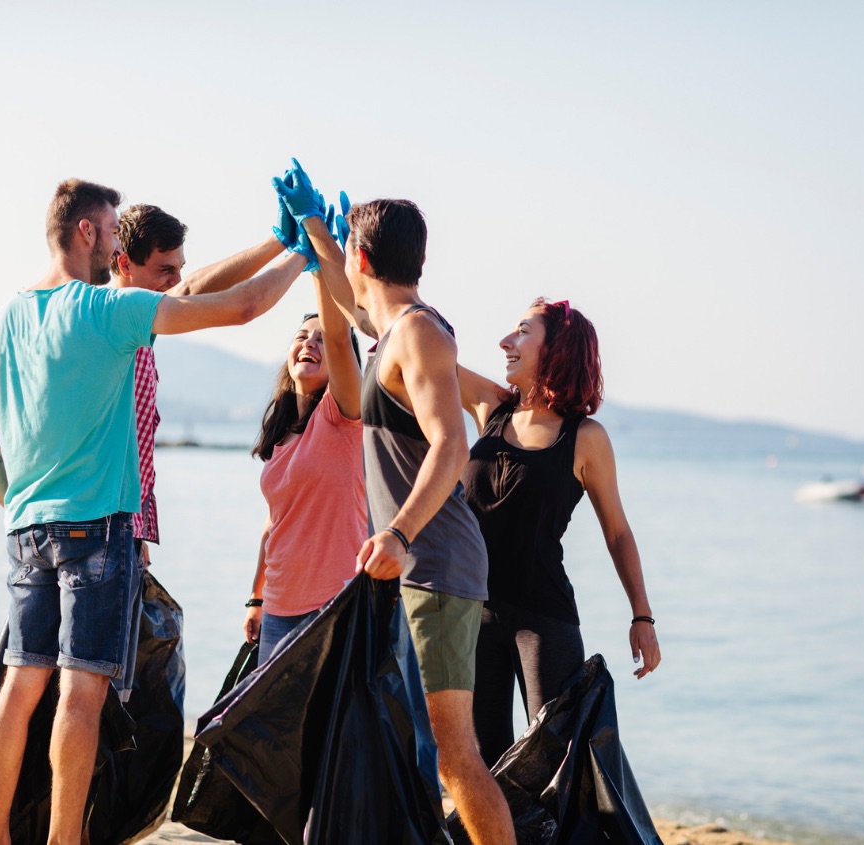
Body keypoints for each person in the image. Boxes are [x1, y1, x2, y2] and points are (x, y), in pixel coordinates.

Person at [0, 178, 308, 845]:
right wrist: (307, 252)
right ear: (88, 232)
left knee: (22, 683)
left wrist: (25, 504)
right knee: (81, 696)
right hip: (99, 529)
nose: (117, 240)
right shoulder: (101, 312)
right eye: (113, 229)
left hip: (27, 529)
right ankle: (65, 838)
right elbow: (237, 309)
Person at [289, 161, 517, 845]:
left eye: (345, 251)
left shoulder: (418, 332)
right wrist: (312, 233)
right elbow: (348, 301)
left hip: (436, 565)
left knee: (453, 753)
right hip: (417, 568)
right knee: (418, 747)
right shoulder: (388, 332)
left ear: (364, 255)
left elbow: (451, 446)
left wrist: (396, 532)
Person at [458, 298, 661, 768]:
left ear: (557, 350)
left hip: (542, 620)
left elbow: (617, 532)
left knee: (555, 764)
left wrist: (642, 618)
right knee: (482, 761)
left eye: (522, 331)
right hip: (472, 613)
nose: (505, 342)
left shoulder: (585, 437)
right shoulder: (491, 408)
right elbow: (417, 343)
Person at [109, 203, 287, 575]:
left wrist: (278, 242)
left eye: (178, 268)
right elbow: (244, 307)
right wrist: (298, 248)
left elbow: (191, 288)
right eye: (164, 270)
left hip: (121, 525)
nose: (175, 281)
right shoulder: (115, 315)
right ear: (125, 264)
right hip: (106, 527)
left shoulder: (137, 317)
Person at [242, 278, 365, 663]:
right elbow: (274, 524)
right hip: (278, 605)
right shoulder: (282, 439)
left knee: (326, 723)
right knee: (273, 722)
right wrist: (256, 597)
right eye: (301, 336)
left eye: (320, 338)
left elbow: (342, 337)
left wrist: (320, 269)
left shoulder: (343, 415)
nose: (310, 342)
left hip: (332, 603)